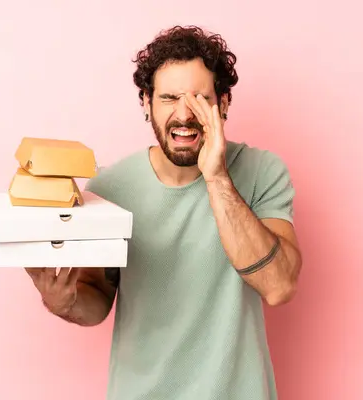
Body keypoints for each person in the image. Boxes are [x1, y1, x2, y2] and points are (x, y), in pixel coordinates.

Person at [25, 25, 303, 400]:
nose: (184, 114)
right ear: (146, 102)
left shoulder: (262, 172)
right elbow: (97, 299)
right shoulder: (112, 189)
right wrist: (64, 302)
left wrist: (217, 176)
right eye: (169, 97)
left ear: (222, 103)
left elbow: (279, 286)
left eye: (200, 98)